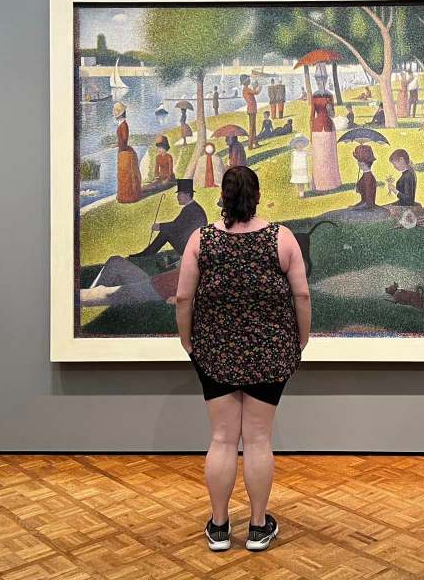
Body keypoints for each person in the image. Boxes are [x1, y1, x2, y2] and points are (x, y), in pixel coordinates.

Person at [175, 166, 310, 553]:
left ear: (222, 196)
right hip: (270, 352)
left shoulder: (201, 240)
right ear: (257, 195)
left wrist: (187, 341)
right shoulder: (281, 238)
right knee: (258, 440)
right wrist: (301, 339)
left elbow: (183, 297)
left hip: (214, 352)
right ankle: (257, 526)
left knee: (221, 439)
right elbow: (302, 296)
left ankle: (219, 527)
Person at [132, 179, 208, 257]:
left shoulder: (191, 209)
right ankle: (147, 253)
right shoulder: (193, 207)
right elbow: (179, 226)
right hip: (195, 245)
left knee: (166, 232)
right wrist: (162, 227)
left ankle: (146, 254)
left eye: (179, 194)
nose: (177, 197)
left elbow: (176, 225)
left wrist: (160, 226)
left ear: (187, 195)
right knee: (167, 231)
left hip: (191, 248)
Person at [309, 64, 342, 191]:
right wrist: (310, 132)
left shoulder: (330, 96)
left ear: (326, 80)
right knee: (319, 156)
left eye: (323, 80)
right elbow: (311, 115)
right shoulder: (314, 96)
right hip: (317, 128)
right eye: (318, 80)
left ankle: (331, 184)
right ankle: (319, 184)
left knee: (329, 156)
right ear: (316, 81)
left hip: (329, 127)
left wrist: (329, 108)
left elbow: (333, 114)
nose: (320, 82)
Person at [114, 102, 142, 203]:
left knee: (126, 175)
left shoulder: (124, 125)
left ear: (120, 113)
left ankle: (128, 196)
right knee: (123, 175)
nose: (114, 113)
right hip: (122, 151)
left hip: (125, 152)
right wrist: (117, 144)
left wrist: (120, 146)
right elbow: (122, 140)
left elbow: (124, 140)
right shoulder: (121, 124)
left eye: (116, 111)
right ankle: (123, 195)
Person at [352, 145, 377, 210]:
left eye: (358, 160)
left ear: (362, 163)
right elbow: (363, 199)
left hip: (368, 206)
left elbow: (368, 200)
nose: (357, 162)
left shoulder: (368, 177)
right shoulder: (366, 175)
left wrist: (356, 208)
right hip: (364, 203)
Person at [241, 76, 262, 150]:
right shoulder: (246, 89)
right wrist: (259, 87)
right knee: (252, 128)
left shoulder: (246, 89)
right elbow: (256, 92)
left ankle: (255, 143)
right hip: (252, 109)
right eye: (248, 80)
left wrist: (255, 87)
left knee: (253, 127)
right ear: (245, 82)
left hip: (251, 109)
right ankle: (250, 145)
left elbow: (253, 92)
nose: (249, 81)